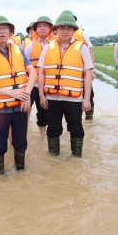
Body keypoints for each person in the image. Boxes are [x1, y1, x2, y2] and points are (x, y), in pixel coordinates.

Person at [0, 16, 36, 174]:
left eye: (5, 28)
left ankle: (20, 173)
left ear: (11, 32)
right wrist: (11, 93)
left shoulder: (18, 50)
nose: (1, 31)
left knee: (20, 143)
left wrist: (27, 94)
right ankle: (0, 176)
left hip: (20, 107)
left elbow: (32, 72)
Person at [37, 13, 93, 157]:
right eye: (62, 28)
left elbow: (87, 74)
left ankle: (76, 159)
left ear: (74, 30)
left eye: (69, 28)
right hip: (52, 98)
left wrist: (86, 99)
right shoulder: (48, 47)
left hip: (74, 99)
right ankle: (53, 160)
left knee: (76, 128)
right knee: (53, 129)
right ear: (56, 29)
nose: (65, 31)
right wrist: (41, 96)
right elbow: (41, 73)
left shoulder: (82, 48)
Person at [24, 16, 57, 139]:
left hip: (54, 84)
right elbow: (25, 66)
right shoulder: (30, 46)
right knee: (41, 112)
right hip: (37, 85)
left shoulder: (57, 43)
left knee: (54, 113)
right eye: (39, 26)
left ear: (50, 28)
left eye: (45, 26)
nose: (42, 28)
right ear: (35, 29)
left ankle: (53, 136)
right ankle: (43, 138)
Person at [60, 10, 96, 120]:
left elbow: (90, 52)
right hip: (68, 74)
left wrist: (91, 71)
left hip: (83, 70)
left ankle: (89, 116)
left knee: (88, 94)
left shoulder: (82, 33)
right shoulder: (58, 35)